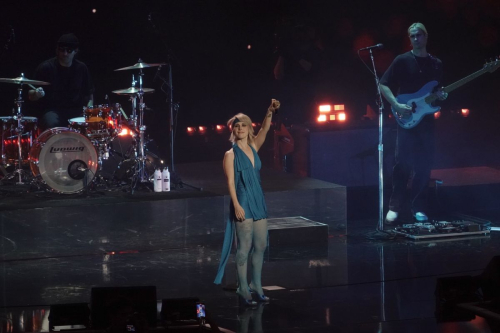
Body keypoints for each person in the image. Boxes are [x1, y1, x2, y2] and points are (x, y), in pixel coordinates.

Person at [380, 22, 448, 225]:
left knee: (424, 165)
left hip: (426, 120)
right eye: (412, 36)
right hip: (406, 119)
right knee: (402, 164)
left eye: (419, 35)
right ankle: (394, 207)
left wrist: (441, 96)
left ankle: (418, 207)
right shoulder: (402, 60)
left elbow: (437, 91)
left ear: (426, 37)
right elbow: (383, 84)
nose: (416, 39)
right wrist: (396, 105)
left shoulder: (436, 64)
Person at [214, 99, 280, 306]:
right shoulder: (230, 154)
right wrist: (236, 205)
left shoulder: (254, 146)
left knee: (261, 245)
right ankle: (242, 288)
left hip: (258, 196)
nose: (240, 128)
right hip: (242, 198)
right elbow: (230, 182)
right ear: (232, 129)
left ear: (249, 127)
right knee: (244, 246)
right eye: (237, 125)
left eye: (244, 125)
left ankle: (256, 285)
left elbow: (266, 129)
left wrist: (269, 111)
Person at [28, 33, 94, 129]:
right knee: (52, 123)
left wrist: (89, 111)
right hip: (52, 111)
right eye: (62, 50)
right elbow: (30, 95)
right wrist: (36, 94)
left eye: (69, 50)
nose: (65, 53)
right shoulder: (46, 67)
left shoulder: (81, 68)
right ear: (57, 50)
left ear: (75, 51)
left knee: (90, 124)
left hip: (76, 110)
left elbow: (89, 95)